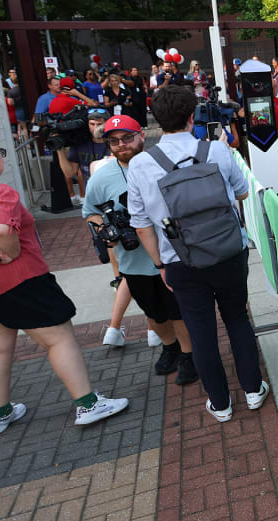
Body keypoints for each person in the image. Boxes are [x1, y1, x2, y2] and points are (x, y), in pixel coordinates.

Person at [0, 135, 129, 435]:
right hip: (16, 282)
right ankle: (88, 404)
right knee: (58, 339)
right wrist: (11, 252)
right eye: (0, 153)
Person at [127, 85, 269, 422]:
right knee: (236, 317)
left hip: (180, 260)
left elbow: (141, 224)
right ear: (193, 117)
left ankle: (220, 403)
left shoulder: (140, 165)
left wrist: (161, 264)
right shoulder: (217, 152)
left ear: (156, 120)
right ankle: (252, 389)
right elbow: (243, 192)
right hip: (227, 252)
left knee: (201, 330)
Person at [83, 115, 198, 383]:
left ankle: (188, 354)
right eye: (114, 141)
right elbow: (91, 213)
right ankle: (169, 346)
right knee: (154, 313)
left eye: (127, 138)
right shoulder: (101, 179)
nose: (121, 145)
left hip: (171, 254)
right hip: (133, 259)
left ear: (141, 136)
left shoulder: (162, 164)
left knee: (177, 310)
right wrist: (104, 230)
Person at [63, 108, 111, 200]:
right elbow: (70, 172)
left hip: (111, 191)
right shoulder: (80, 142)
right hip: (91, 193)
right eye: (92, 124)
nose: (95, 127)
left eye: (99, 124)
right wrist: (59, 149)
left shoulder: (114, 141)